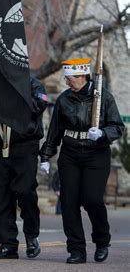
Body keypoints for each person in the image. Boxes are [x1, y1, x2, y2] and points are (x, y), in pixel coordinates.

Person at [39, 58, 124, 264]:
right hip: (70, 154)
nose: (67, 82)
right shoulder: (63, 100)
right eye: (66, 78)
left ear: (82, 76)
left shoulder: (103, 97)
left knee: (92, 199)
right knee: (68, 202)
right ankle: (76, 249)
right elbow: (55, 130)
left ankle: (102, 240)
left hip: (96, 154)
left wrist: (103, 133)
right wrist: (46, 155)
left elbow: (118, 127)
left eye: (70, 78)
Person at [0, 77, 48, 260]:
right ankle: (8, 244)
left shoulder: (33, 85)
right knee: (1, 197)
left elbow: (38, 106)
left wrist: (12, 99)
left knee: (25, 192)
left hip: (24, 147)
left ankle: (32, 236)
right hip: (1, 148)